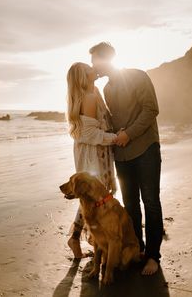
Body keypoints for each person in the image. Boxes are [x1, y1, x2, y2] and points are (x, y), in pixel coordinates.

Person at [90, 42, 163, 275]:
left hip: (146, 148)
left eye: (95, 61)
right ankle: (137, 249)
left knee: (150, 201)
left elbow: (150, 109)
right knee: (130, 205)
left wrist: (128, 134)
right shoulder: (107, 89)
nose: (94, 67)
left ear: (105, 59)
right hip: (121, 155)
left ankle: (153, 256)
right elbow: (110, 121)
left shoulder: (138, 76)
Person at [66, 62, 117, 258]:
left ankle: (86, 239)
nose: (94, 70)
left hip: (98, 150)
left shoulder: (94, 91)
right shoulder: (87, 97)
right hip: (92, 154)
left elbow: (102, 123)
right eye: (89, 70)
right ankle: (79, 238)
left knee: (94, 196)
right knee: (92, 196)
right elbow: (90, 134)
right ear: (82, 77)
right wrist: (115, 138)